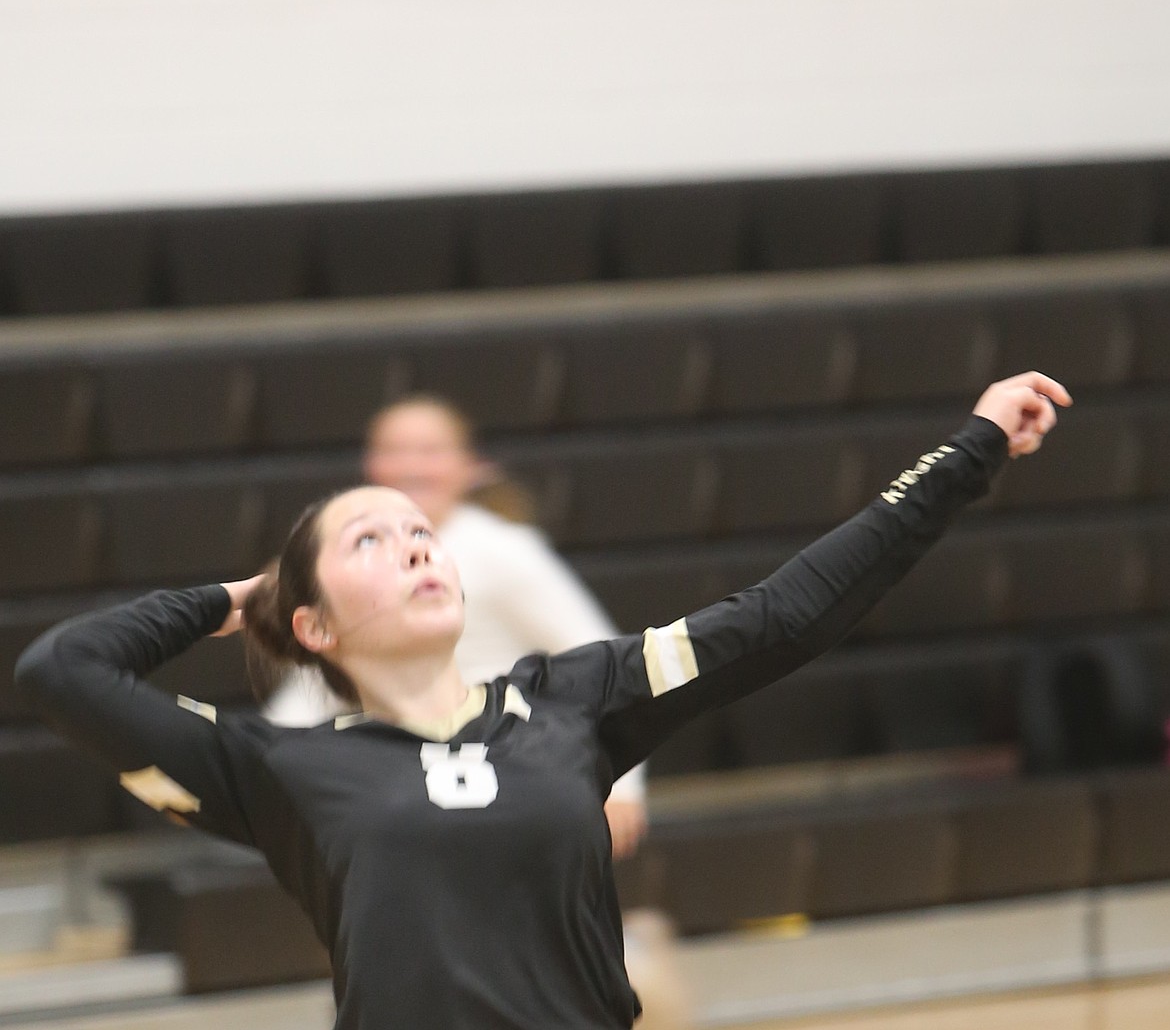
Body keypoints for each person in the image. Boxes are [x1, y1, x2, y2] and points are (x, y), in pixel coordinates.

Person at [15, 372, 1069, 1030]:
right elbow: (64, 672)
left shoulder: (574, 699)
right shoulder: (280, 766)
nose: (414, 538)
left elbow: (786, 613)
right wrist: (234, 598)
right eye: (367, 539)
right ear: (315, 626)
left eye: (419, 528)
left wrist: (965, 453)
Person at [266, 393, 648, 856]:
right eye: (394, 451)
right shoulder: (351, 567)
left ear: (471, 466)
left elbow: (603, 657)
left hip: (506, 762)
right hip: (400, 775)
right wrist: (260, 768)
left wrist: (623, 785)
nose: (411, 466)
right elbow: (325, 680)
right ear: (370, 466)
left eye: (430, 451)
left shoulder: (505, 550)